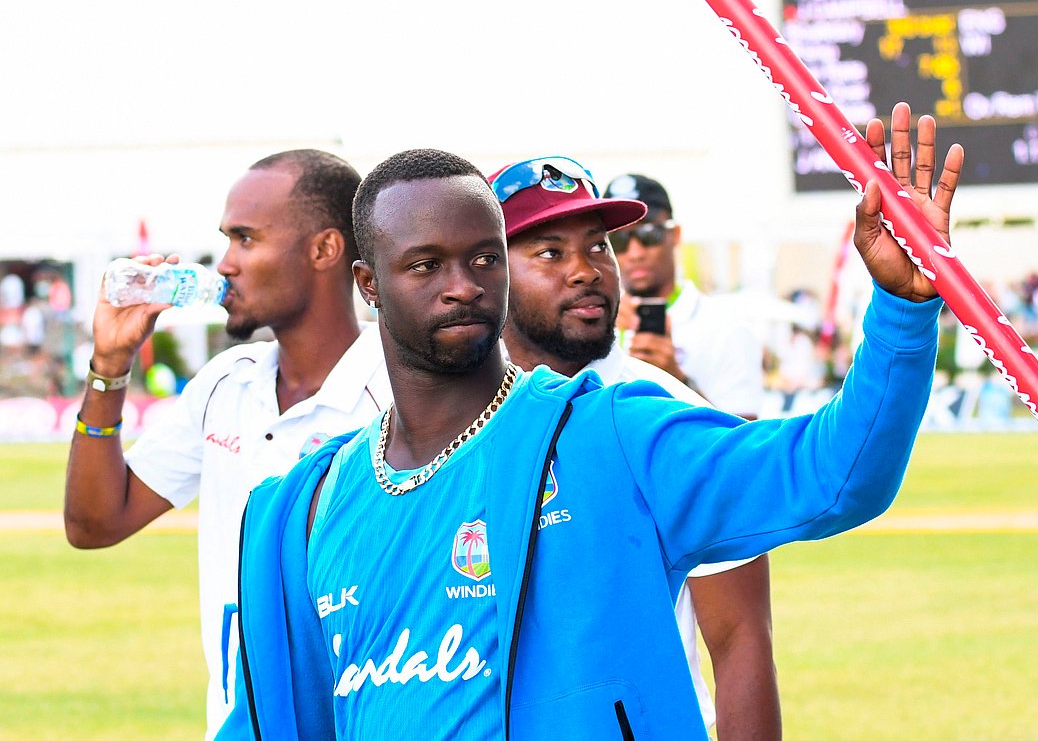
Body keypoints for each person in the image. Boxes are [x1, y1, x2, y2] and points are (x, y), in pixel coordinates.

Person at [222, 104, 961, 739]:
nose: (463, 287)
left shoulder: (613, 434)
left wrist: (901, 308)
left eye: (484, 259)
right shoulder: (300, 510)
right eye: (425, 265)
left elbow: (838, 475)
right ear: (368, 285)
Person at [63, 149, 390, 739]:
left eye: (245, 239)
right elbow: (94, 523)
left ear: (325, 249)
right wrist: (110, 364)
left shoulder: (400, 391)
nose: (226, 264)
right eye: (227, 241)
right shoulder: (226, 382)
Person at [491, 155, 780, 739]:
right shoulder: (450, 417)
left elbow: (741, 637)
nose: (586, 270)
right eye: (550, 252)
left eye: (598, 246)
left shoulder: (672, 413)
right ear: (491, 273)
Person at [602, 172, 764, 419]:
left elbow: (745, 437)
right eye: (619, 239)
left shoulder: (726, 327)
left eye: (648, 234)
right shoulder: (595, 324)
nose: (635, 253)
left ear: (675, 235)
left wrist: (677, 381)